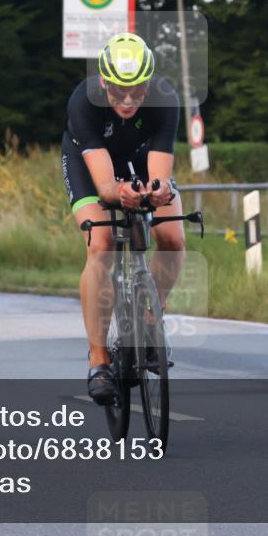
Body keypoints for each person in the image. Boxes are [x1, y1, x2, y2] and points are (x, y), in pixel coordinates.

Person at [62, 33, 185, 404]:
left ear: (149, 83)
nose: (128, 100)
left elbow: (159, 174)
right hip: (91, 164)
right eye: (118, 91)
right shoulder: (84, 101)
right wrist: (122, 194)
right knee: (99, 245)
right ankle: (98, 359)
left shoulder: (166, 100)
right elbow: (103, 187)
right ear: (103, 82)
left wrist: (157, 192)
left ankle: (150, 317)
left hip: (141, 156)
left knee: (173, 237)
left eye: (137, 90)